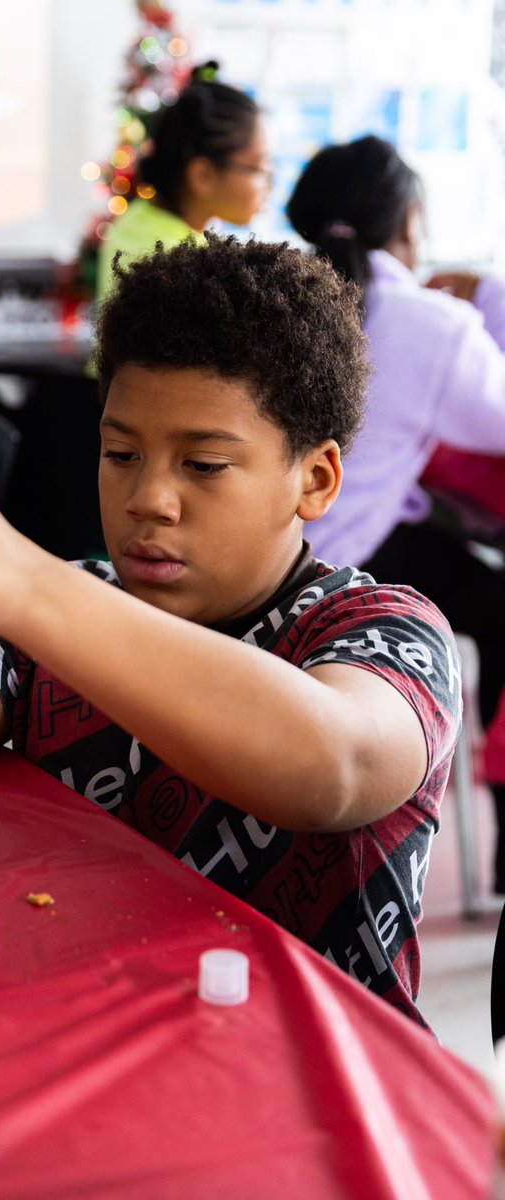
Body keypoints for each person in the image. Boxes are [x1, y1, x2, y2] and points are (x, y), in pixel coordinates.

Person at [0, 235, 460, 1025]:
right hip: (86, 1039)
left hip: (323, 1089)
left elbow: (329, 767)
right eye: (121, 452)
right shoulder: (62, 613)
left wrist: (26, 580)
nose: (149, 498)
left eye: (203, 465)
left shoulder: (384, 633)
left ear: (316, 478)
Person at [287, 133, 505, 890]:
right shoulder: (430, 324)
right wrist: (490, 295)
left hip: (271, 548)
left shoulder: (279, 294)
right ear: (407, 221)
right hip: (346, 564)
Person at [96, 62, 272, 303]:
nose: (269, 183)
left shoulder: (137, 218)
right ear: (203, 176)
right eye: (260, 168)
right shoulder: (186, 270)